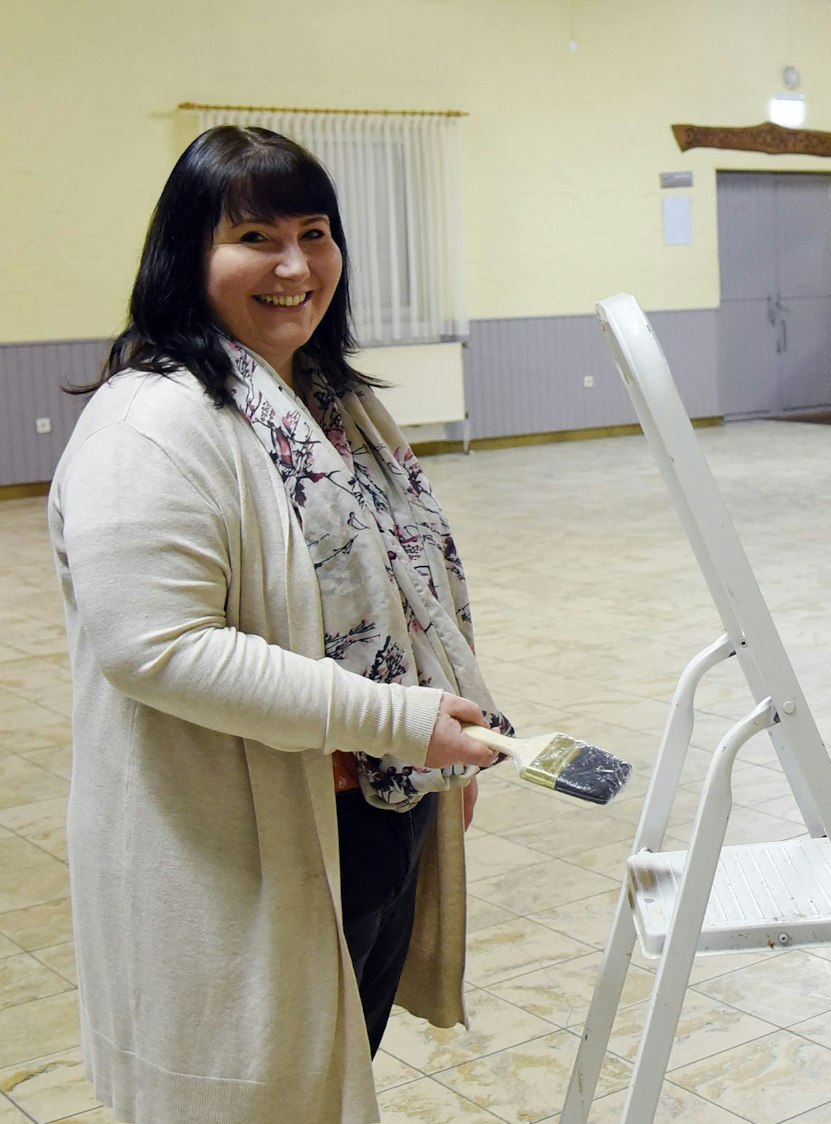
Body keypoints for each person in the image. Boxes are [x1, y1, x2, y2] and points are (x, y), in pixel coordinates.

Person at [50, 125, 512, 1122]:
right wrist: (399, 723)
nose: (296, 267)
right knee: (255, 1089)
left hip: (371, 807)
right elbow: (157, 648)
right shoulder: (152, 423)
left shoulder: (328, 400)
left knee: (329, 1064)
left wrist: (432, 756)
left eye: (314, 233)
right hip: (243, 833)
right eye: (254, 237)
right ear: (188, 253)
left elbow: (408, 593)